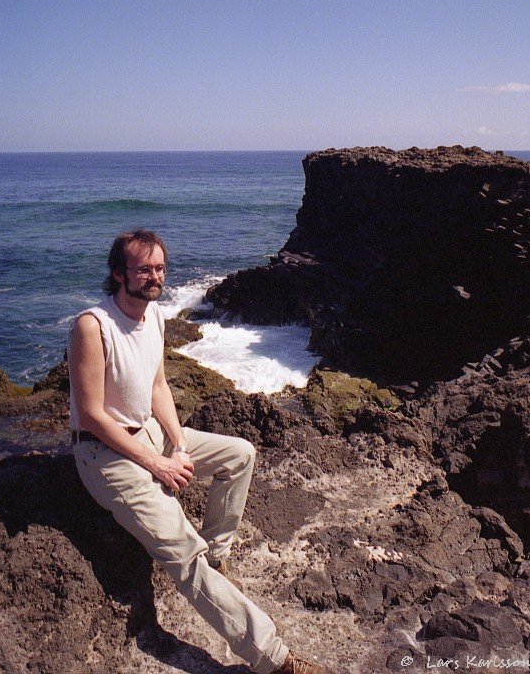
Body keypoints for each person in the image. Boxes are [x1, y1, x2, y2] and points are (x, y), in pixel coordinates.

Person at [68, 228, 333, 674]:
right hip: (105, 456)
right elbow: (93, 415)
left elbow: (157, 386)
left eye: (159, 268)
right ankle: (276, 660)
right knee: (184, 558)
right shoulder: (92, 326)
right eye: (143, 269)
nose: (154, 277)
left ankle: (218, 556)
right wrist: (157, 465)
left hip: (149, 434)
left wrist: (179, 443)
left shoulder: (154, 317)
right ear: (118, 274)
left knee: (241, 454)